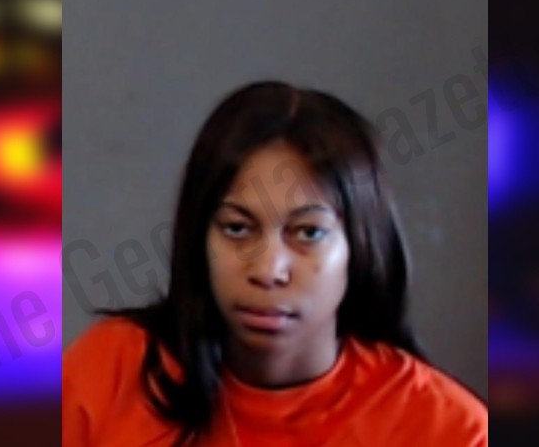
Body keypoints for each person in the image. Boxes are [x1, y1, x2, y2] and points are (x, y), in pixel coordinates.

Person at [63, 81, 487, 446]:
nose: (268, 270)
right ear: (198, 237)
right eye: (237, 228)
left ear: (360, 247)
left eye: (308, 233)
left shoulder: (446, 427)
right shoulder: (108, 372)